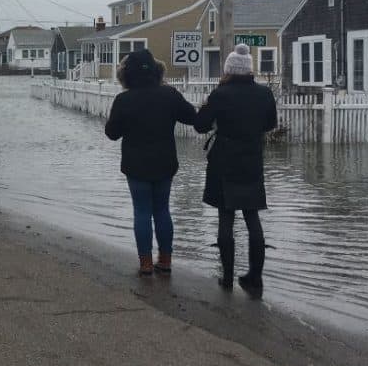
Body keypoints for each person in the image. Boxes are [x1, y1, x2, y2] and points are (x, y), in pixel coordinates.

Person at [194, 44, 278, 297]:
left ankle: (227, 277)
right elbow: (270, 124)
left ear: (229, 69)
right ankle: (255, 279)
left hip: (224, 160)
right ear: (249, 70)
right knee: (252, 218)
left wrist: (206, 108)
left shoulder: (221, 94)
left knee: (226, 217)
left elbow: (200, 126)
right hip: (252, 159)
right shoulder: (264, 94)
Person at [104, 49, 196, 277]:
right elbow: (192, 117)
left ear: (126, 75)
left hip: (136, 166)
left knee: (142, 211)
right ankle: (165, 260)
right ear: (156, 71)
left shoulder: (124, 99)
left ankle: (145, 263)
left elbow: (112, 134)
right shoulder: (170, 94)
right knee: (162, 210)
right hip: (165, 163)